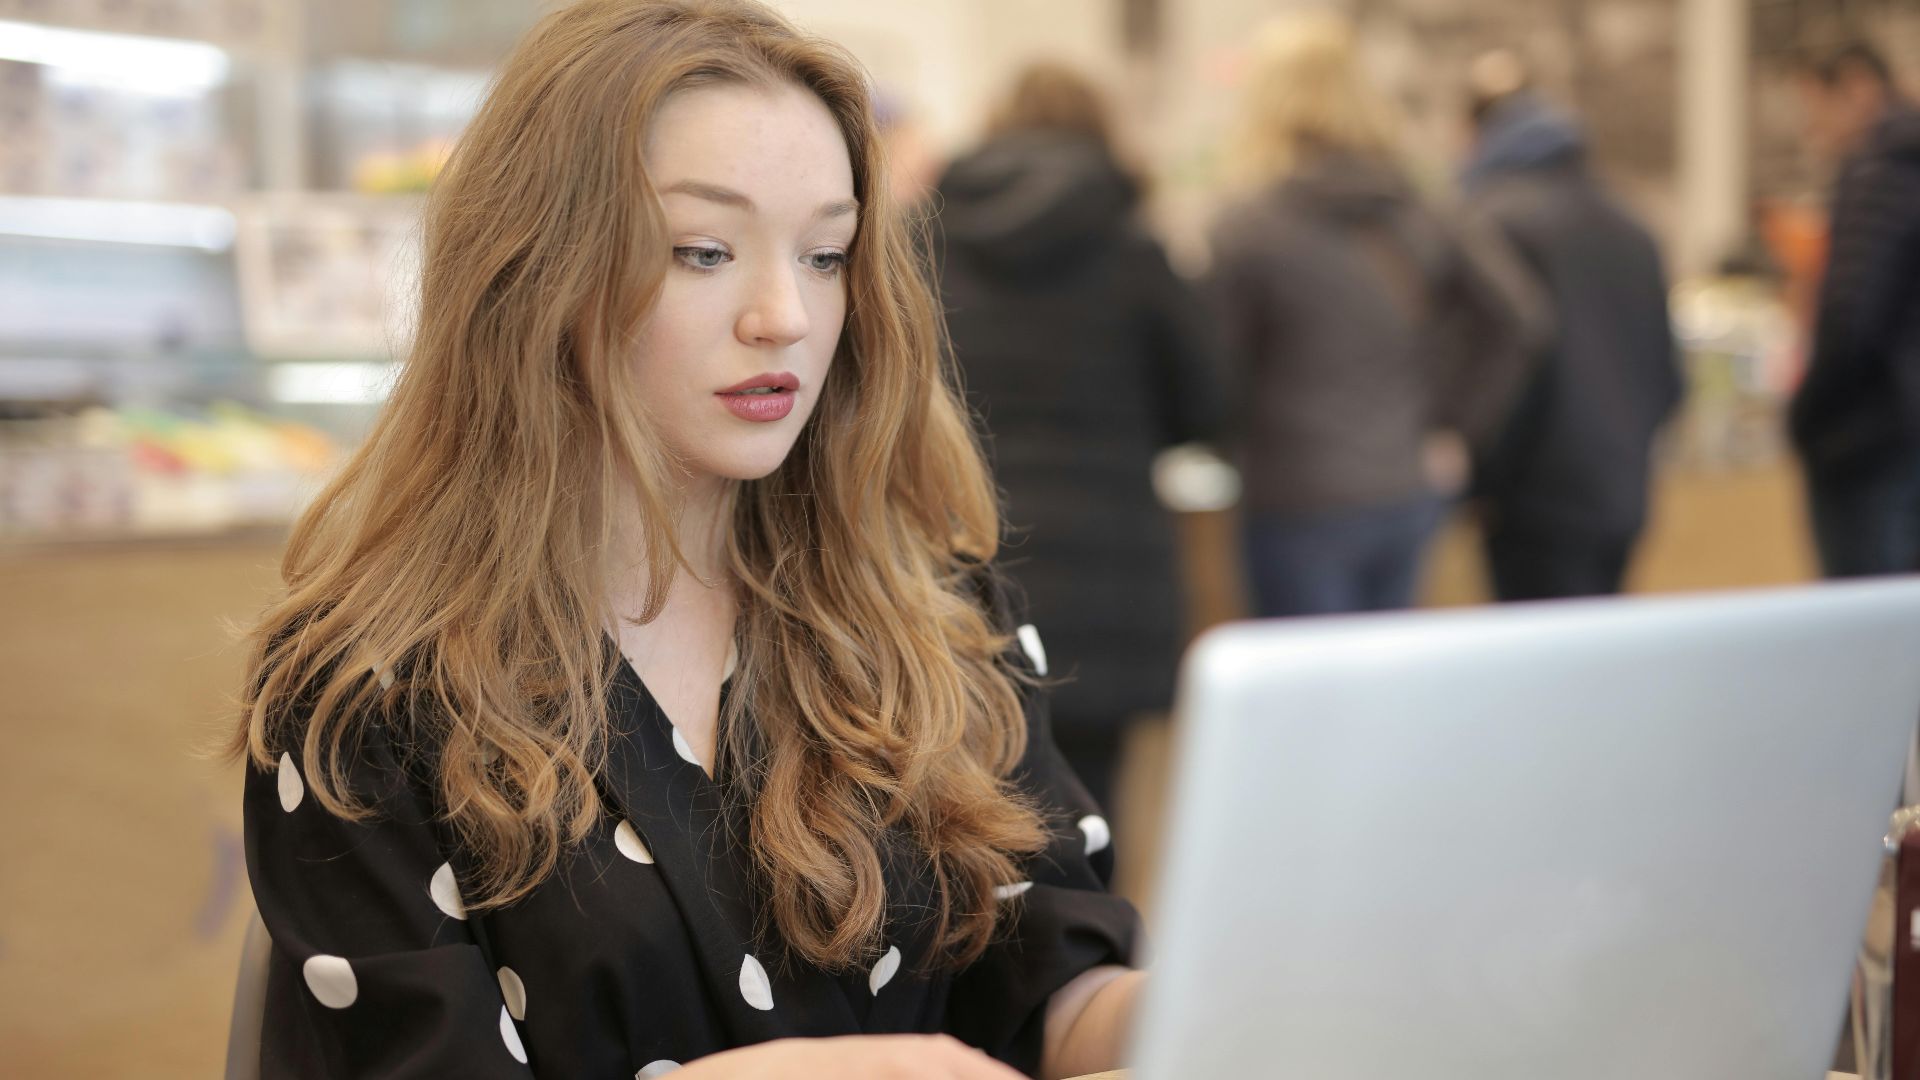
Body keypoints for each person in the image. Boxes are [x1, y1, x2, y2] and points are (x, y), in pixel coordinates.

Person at [225, 2, 1140, 1076]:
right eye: (703, 252)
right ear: (536, 273)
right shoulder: (367, 698)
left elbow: (1048, 991)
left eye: (827, 255)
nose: (784, 316)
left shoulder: (940, 617)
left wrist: (1198, 1010)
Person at [933, 61, 1223, 816]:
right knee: (1094, 813)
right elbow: (1213, 402)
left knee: (964, 813)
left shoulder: (924, 240)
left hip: (963, 558)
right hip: (1109, 569)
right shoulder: (1133, 249)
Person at [1209, 12, 1541, 618]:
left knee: (1308, 691)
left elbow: (1219, 374)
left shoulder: (1248, 227)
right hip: (1404, 484)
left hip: (1295, 490)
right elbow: (1517, 318)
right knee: (1384, 688)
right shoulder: (1417, 206)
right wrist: (1455, 430)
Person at [1460, 53, 1684, 601]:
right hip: (1620, 493)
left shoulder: (1492, 218)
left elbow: (1500, 367)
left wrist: (1484, 475)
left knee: (1539, 669)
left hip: (1537, 501)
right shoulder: (1631, 223)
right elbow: (1669, 377)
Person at [1787, 42, 1920, 578]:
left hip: (1872, 437)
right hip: (1900, 430)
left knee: (1863, 627)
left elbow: (1850, 317)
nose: (1811, 127)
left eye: (1816, 105)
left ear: (1857, 86)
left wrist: (1808, 417)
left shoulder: (1880, 172)